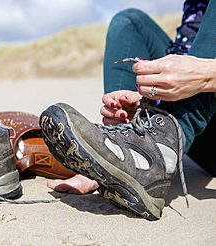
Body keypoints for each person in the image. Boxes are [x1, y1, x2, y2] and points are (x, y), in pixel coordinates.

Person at [40, 0, 215, 220]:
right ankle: (125, 151)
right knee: (129, 22)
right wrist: (150, 102)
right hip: (199, 122)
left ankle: (157, 150)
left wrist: (209, 75)